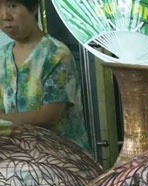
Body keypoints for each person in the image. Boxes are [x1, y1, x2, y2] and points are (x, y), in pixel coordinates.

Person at [0, 0, 89, 151]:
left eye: (12, 6)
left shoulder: (55, 53)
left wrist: (3, 119)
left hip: (61, 155)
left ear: (33, 8)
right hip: (20, 154)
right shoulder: (3, 56)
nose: (5, 16)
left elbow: (49, 116)